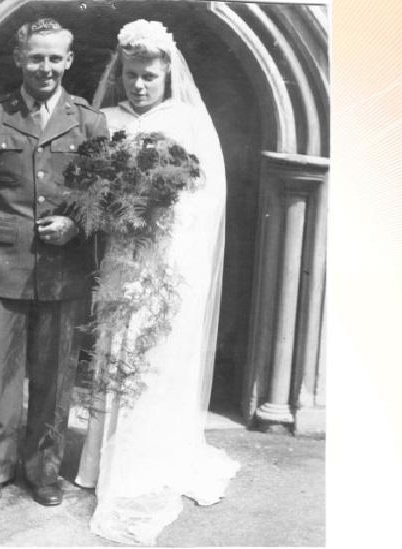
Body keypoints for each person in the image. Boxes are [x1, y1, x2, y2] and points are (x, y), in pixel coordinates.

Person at [75, 20, 241, 544]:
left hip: (170, 260)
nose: (139, 86)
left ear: (167, 75)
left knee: (156, 356)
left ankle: (149, 463)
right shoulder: (104, 119)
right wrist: (111, 208)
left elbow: (208, 196)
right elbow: (90, 189)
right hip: (122, 257)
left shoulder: (188, 122)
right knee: (115, 352)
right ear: (118, 74)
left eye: (148, 76)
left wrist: (161, 213)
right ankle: (104, 463)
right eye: (131, 75)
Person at [0, 17, 109, 507]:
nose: (45, 67)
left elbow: (100, 199)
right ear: (20, 59)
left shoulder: (89, 122)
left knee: (55, 375)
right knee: (2, 374)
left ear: (69, 61)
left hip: (64, 270)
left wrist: (75, 227)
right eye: (35, 57)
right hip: (5, 264)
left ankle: (44, 469)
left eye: (54, 58)